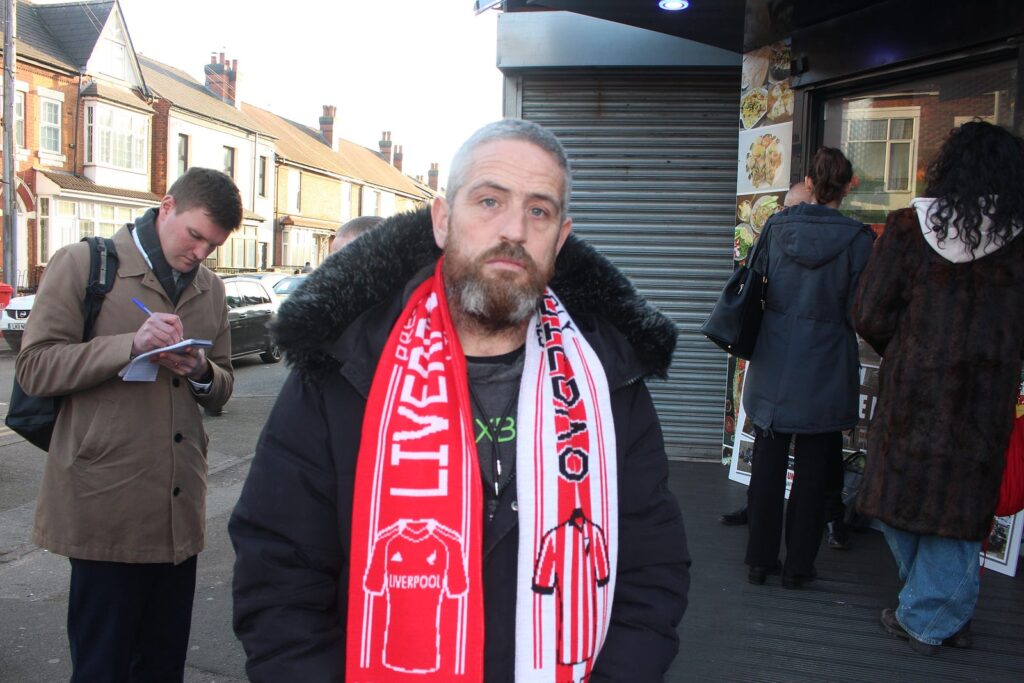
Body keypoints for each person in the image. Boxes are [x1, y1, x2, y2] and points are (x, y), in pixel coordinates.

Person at [229, 119, 690, 681]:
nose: (514, 229)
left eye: (538, 210)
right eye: (490, 200)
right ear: (443, 220)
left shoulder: (609, 382)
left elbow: (651, 573)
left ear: (560, 239)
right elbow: (280, 576)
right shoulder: (345, 369)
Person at [16, 167, 240, 681]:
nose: (200, 254)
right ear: (166, 207)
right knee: (103, 666)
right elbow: (34, 367)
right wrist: (130, 345)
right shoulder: (84, 264)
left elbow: (224, 384)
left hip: (178, 507)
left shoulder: (210, 291)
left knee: (162, 665)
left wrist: (201, 371)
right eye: (195, 236)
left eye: (214, 246)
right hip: (105, 505)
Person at [852, 121, 1024, 654]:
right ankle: (938, 604)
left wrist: (908, 353)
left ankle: (928, 614)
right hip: (985, 400)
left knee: (897, 496)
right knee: (959, 508)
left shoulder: (907, 227)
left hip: (912, 393)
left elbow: (869, 313)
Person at [741, 148, 874, 588]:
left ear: (809, 184)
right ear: (847, 187)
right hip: (828, 360)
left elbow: (752, 280)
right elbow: (864, 309)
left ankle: (760, 561)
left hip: (775, 357)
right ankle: (799, 566)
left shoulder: (778, 226)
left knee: (768, 461)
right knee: (816, 469)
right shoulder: (859, 239)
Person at [720, 180, 811, 528]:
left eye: (793, 208)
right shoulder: (772, 236)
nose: (785, 215)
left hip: (806, 356)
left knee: (813, 447)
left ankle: (830, 517)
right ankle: (756, 507)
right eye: (783, 208)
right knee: (767, 441)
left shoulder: (830, 244)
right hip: (773, 352)